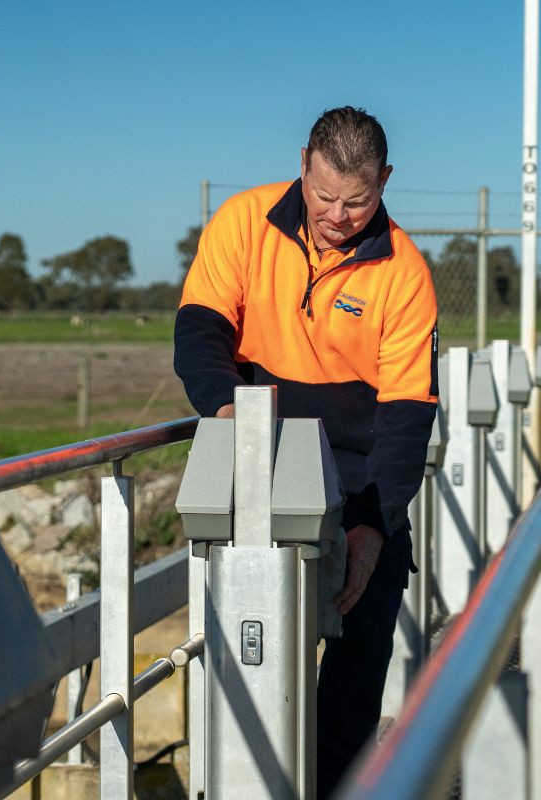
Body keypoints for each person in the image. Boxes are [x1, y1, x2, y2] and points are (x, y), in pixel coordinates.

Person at [174, 106, 438, 797]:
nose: (338, 215)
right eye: (324, 196)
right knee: (251, 676)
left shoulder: (405, 272)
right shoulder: (243, 221)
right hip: (258, 474)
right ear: (303, 164)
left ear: (385, 180)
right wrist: (234, 419)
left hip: (360, 486)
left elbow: (408, 416)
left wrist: (373, 529)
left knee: (350, 702)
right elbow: (200, 332)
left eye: (358, 201)